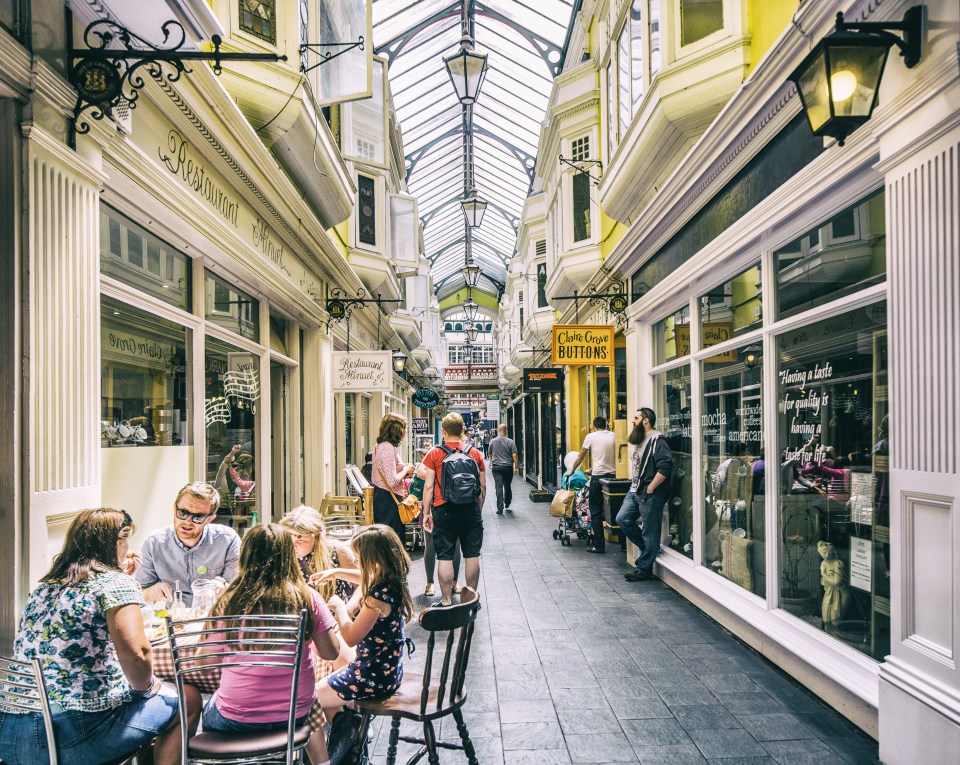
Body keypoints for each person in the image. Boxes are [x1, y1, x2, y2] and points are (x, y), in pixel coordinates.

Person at [0, 509, 191, 765]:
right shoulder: (114, 584)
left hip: (10, 738)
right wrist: (148, 688)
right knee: (185, 699)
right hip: (69, 738)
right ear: (116, 542)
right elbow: (138, 656)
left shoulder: (45, 585)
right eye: (126, 541)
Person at [199, 524, 340, 765]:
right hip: (295, 715)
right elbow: (330, 652)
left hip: (235, 718)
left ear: (245, 556)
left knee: (208, 703)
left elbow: (204, 663)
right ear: (288, 558)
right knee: (308, 699)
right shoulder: (306, 597)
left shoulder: (229, 602)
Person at [312, 525, 414, 713]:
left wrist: (339, 606)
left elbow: (351, 637)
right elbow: (366, 577)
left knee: (305, 699)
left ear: (374, 562)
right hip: (388, 671)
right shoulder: (392, 579)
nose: (356, 563)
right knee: (324, 685)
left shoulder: (376, 598)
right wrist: (335, 572)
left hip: (372, 679)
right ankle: (350, 723)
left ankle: (350, 731)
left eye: (359, 560)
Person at [420, 412, 487, 606]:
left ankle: (446, 599)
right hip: (470, 509)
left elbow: (429, 486)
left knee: (445, 555)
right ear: (463, 430)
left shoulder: (435, 453)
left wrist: (426, 512)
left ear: (443, 431)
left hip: (444, 509)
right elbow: (482, 487)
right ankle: (471, 597)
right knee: (472, 554)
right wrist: (478, 509)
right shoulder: (475, 453)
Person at [135, 482, 241, 604]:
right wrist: (150, 592)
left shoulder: (227, 540)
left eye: (198, 517)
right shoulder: (154, 542)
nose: (188, 522)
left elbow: (236, 591)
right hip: (173, 618)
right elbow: (138, 594)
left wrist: (225, 589)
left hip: (212, 616)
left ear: (210, 519)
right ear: (174, 508)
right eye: (183, 513)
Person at [619, 407, 674, 582]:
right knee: (622, 519)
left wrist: (651, 487)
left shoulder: (658, 440)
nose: (632, 421)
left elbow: (665, 467)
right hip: (634, 490)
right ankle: (650, 550)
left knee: (650, 531)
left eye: (636, 418)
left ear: (646, 420)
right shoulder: (639, 440)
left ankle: (644, 569)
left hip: (649, 493)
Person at [278, 505, 357, 602]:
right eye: (288, 539)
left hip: (332, 613)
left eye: (301, 540)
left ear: (316, 535)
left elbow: (363, 584)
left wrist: (349, 610)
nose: (293, 545)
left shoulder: (336, 551)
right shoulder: (280, 554)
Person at [566, 416, 617, 553]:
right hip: (613, 477)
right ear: (606, 425)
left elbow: (581, 456)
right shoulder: (614, 435)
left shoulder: (591, 436)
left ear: (593, 426)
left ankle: (599, 546)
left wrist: (571, 470)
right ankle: (624, 544)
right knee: (615, 510)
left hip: (598, 477)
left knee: (595, 512)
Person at [415, 455, 463, 598]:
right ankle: (431, 582)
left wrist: (434, 475)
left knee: (453, 545)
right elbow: (419, 472)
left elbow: (421, 473)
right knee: (433, 545)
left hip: (451, 504)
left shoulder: (461, 452)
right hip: (441, 505)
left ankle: (451, 581)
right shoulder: (436, 452)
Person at [371, 414, 416, 543]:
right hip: (388, 499)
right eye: (404, 428)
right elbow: (391, 481)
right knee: (392, 540)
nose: (405, 432)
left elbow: (387, 470)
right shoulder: (387, 448)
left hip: (384, 497)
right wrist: (406, 470)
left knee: (387, 539)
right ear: (396, 429)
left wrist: (403, 468)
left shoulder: (381, 446)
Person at [488, 424, 519, 514]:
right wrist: (516, 467)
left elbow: (490, 453)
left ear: (498, 430)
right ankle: (507, 502)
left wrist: (491, 461)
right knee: (507, 485)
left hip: (496, 467)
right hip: (508, 467)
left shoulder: (493, 441)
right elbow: (515, 455)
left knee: (498, 486)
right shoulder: (510, 442)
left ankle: (500, 508)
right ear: (506, 430)